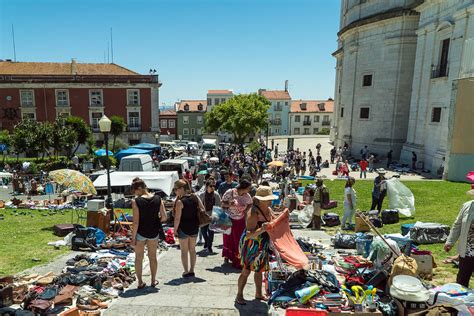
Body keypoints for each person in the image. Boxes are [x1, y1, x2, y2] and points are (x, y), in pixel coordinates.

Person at [236, 186, 276, 305]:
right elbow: (249, 235)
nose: (270, 201)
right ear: (260, 199)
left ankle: (258, 293)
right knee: (246, 270)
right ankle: (239, 295)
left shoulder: (268, 209)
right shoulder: (253, 212)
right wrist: (262, 229)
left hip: (262, 244)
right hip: (251, 244)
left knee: (259, 270)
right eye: (268, 199)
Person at [131, 178, 167, 288]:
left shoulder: (136, 201)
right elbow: (164, 217)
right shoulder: (158, 198)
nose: (135, 193)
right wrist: (155, 221)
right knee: (153, 257)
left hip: (141, 232)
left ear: (140, 189)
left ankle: (140, 282)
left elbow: (136, 221)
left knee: (138, 258)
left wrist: (133, 237)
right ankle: (153, 280)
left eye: (135, 191)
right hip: (153, 232)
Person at [444, 188, 474, 287]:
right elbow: (457, 225)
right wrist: (450, 241)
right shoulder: (467, 206)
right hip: (467, 250)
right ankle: (461, 301)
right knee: (462, 280)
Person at [174, 179, 203, 278]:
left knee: (184, 251)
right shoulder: (195, 197)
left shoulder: (180, 202)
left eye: (176, 189)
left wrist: (175, 230)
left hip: (183, 228)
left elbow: (177, 218)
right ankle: (192, 270)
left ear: (182, 189)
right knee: (192, 249)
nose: (175, 191)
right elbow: (202, 209)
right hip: (194, 226)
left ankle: (186, 271)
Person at [221, 179, 253, 269]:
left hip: (240, 220)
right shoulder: (230, 192)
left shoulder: (247, 196)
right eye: (248, 188)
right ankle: (227, 257)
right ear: (244, 188)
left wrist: (246, 210)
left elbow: (250, 203)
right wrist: (230, 205)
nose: (249, 190)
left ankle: (238, 258)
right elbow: (222, 203)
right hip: (229, 219)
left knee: (239, 240)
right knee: (228, 239)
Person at [198, 179, 221, 253]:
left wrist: (215, 215)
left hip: (213, 215)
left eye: (213, 186)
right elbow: (199, 206)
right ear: (207, 186)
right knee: (203, 230)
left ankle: (209, 246)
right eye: (211, 186)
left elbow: (219, 205)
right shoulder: (202, 195)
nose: (212, 187)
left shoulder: (216, 194)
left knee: (211, 231)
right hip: (204, 216)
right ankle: (207, 242)